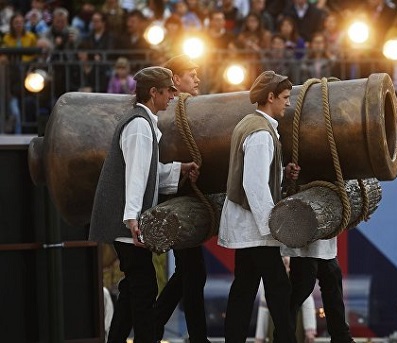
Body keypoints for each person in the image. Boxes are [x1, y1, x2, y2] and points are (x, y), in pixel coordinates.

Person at [89, 66, 200, 343]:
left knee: (132, 291)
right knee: (145, 289)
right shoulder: (139, 126)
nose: (173, 96)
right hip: (128, 225)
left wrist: (179, 170)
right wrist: (133, 221)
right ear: (154, 92)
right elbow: (136, 177)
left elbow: (147, 172)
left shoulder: (143, 123)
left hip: (127, 222)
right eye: (169, 91)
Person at [218, 70, 299, 343]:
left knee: (245, 287)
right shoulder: (261, 134)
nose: (289, 102)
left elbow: (258, 177)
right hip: (255, 229)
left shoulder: (249, 124)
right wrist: (271, 227)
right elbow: (254, 185)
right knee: (279, 288)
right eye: (285, 97)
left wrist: (281, 173)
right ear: (271, 97)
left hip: (248, 226)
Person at [154, 54, 209, 343]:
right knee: (193, 272)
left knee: (189, 273)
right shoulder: (168, 114)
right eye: (191, 74)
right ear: (175, 80)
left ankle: (154, 326)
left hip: (183, 196)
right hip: (176, 200)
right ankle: (197, 337)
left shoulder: (185, 110)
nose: (197, 79)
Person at [283, 237, 355, 343]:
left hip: (327, 247)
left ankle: (342, 338)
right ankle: (283, 337)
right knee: (298, 293)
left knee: (334, 292)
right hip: (303, 247)